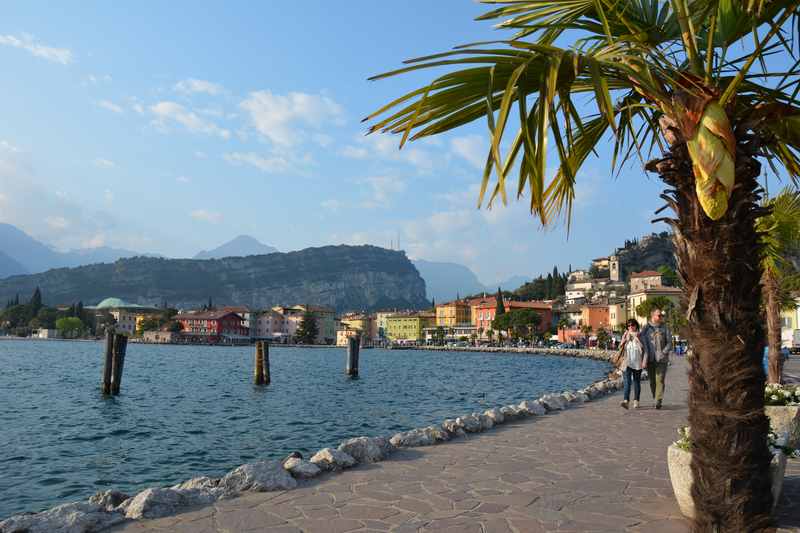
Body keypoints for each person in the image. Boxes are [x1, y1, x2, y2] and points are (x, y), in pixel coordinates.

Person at [640, 308, 673, 409]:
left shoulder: (665, 328)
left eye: (661, 315)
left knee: (660, 380)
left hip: (662, 359)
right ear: (653, 316)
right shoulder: (646, 328)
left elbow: (669, 343)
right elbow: (641, 340)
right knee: (652, 381)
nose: (660, 317)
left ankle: (658, 400)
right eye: (658, 315)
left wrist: (664, 352)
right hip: (650, 359)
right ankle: (656, 397)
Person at [619, 319, 644, 409]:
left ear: (636, 325)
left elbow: (643, 347)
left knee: (637, 382)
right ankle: (626, 401)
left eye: (632, 325)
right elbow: (620, 346)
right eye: (628, 325)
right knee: (627, 382)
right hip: (627, 362)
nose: (630, 327)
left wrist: (637, 339)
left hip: (637, 362)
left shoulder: (641, 335)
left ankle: (636, 401)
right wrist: (625, 340)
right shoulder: (625, 334)